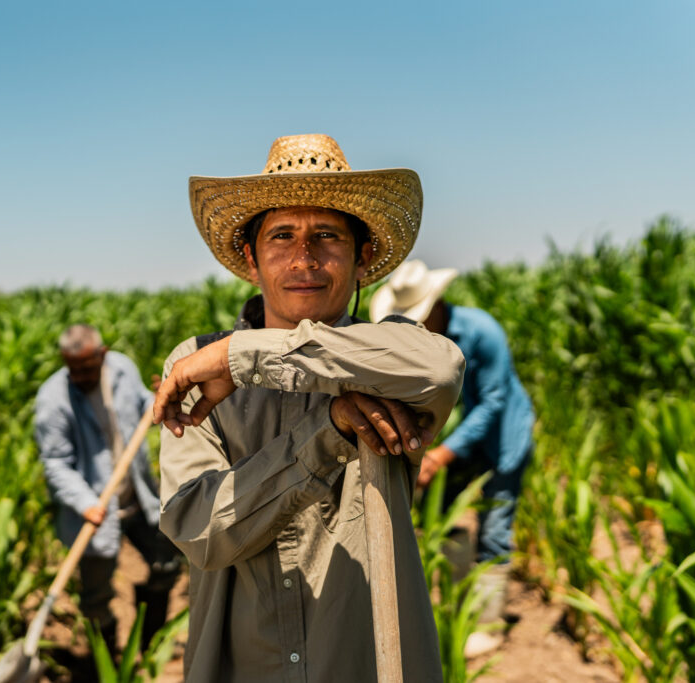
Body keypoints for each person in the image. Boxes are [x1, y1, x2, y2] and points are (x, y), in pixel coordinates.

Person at [153, 134, 466, 682]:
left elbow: (439, 369)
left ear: (362, 257)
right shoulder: (193, 363)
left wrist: (243, 356)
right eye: (281, 236)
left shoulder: (390, 350)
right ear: (250, 258)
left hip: (366, 661)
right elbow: (199, 529)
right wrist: (329, 430)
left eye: (327, 235)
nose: (305, 258)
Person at [370, 259, 535, 657]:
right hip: (462, 443)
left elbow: (492, 403)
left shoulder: (482, 332)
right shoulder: (420, 345)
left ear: (437, 304)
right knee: (445, 517)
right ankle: (460, 608)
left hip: (502, 441)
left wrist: (442, 453)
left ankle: (489, 626)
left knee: (495, 529)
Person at [34, 324, 180, 651]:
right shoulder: (53, 400)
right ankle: (107, 664)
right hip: (94, 512)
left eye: (88, 367)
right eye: (74, 369)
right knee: (96, 596)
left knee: (166, 564)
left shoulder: (121, 369)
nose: (82, 375)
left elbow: (143, 403)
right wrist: (85, 501)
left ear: (102, 354)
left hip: (137, 498)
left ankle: (148, 644)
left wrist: (156, 400)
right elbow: (56, 463)